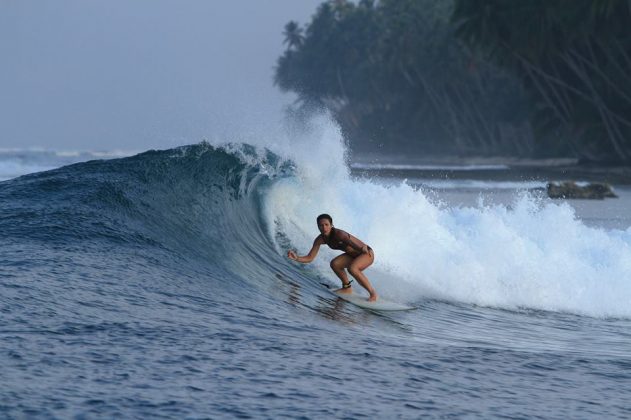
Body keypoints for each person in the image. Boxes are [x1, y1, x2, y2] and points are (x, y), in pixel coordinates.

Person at [287, 214, 378, 301]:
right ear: (318, 227)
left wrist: (362, 249)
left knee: (352, 268)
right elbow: (310, 257)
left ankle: (373, 294)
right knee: (335, 264)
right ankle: (347, 288)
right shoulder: (320, 239)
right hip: (352, 256)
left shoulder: (339, 234)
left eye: (326, 225)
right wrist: (297, 258)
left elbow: (354, 244)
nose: (324, 228)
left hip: (366, 253)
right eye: (321, 225)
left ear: (331, 225)